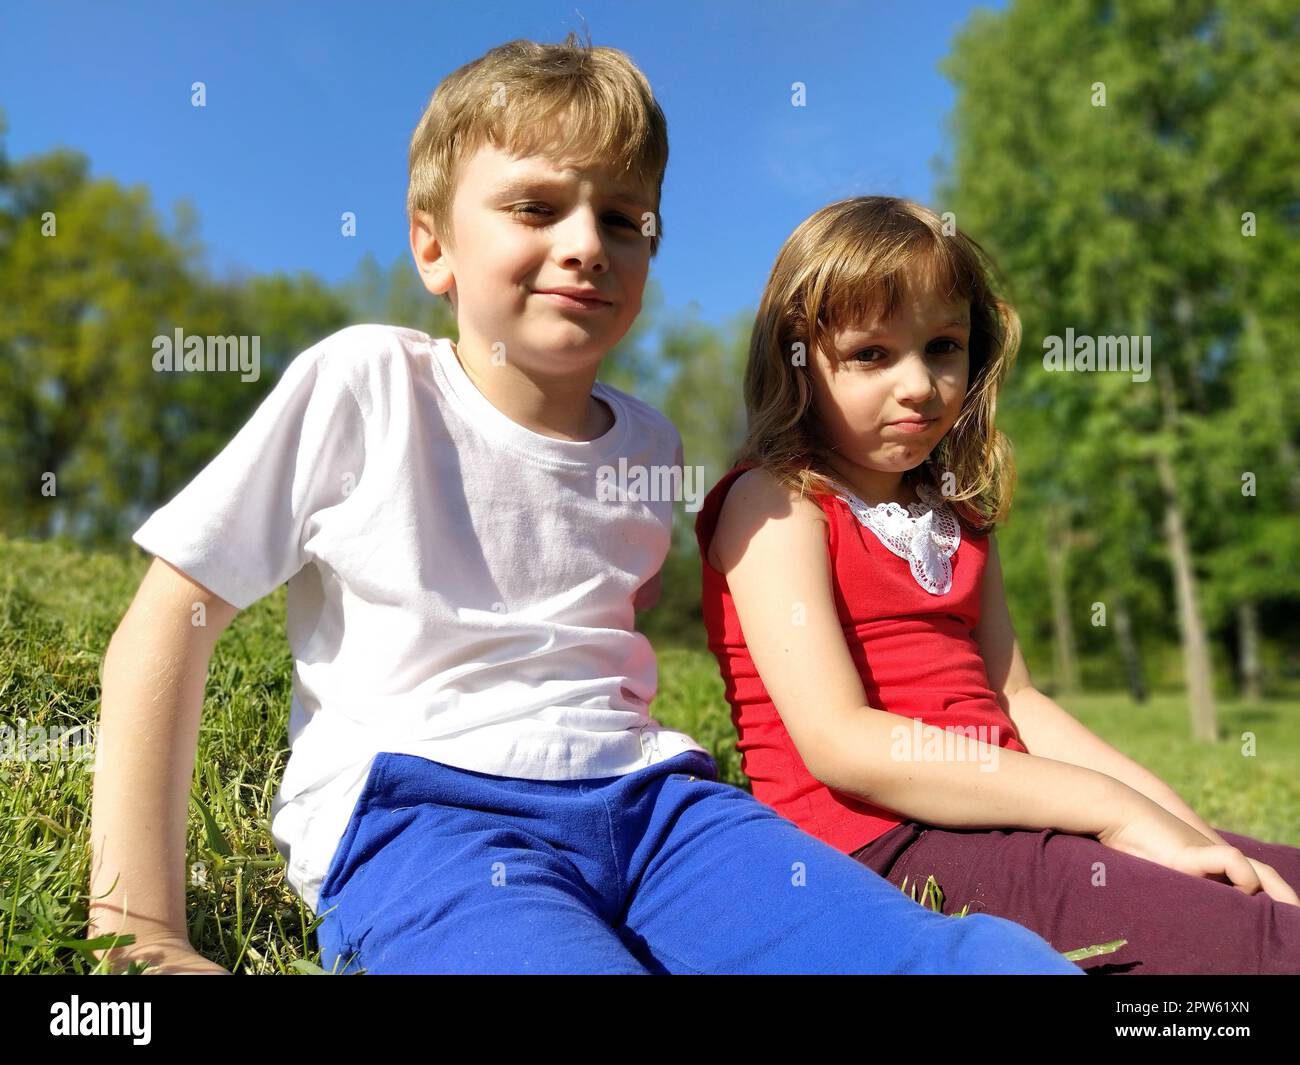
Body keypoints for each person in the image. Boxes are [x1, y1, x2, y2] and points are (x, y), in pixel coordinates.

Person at [88, 37, 1079, 976]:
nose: (585, 245)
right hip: (428, 816)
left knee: (944, 957)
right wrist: (138, 928)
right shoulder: (366, 386)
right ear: (433, 248)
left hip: (658, 808)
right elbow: (168, 621)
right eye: (533, 207)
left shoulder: (648, 445)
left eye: (620, 218)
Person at [695, 194, 1300, 975]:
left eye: (942, 346)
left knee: (1264, 879)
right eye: (872, 354)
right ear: (797, 362)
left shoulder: (956, 517)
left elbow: (1017, 700)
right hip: (881, 846)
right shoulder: (777, 502)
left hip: (1004, 812)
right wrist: (1110, 811)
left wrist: (1186, 829)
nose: (918, 384)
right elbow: (842, 742)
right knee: (1255, 948)